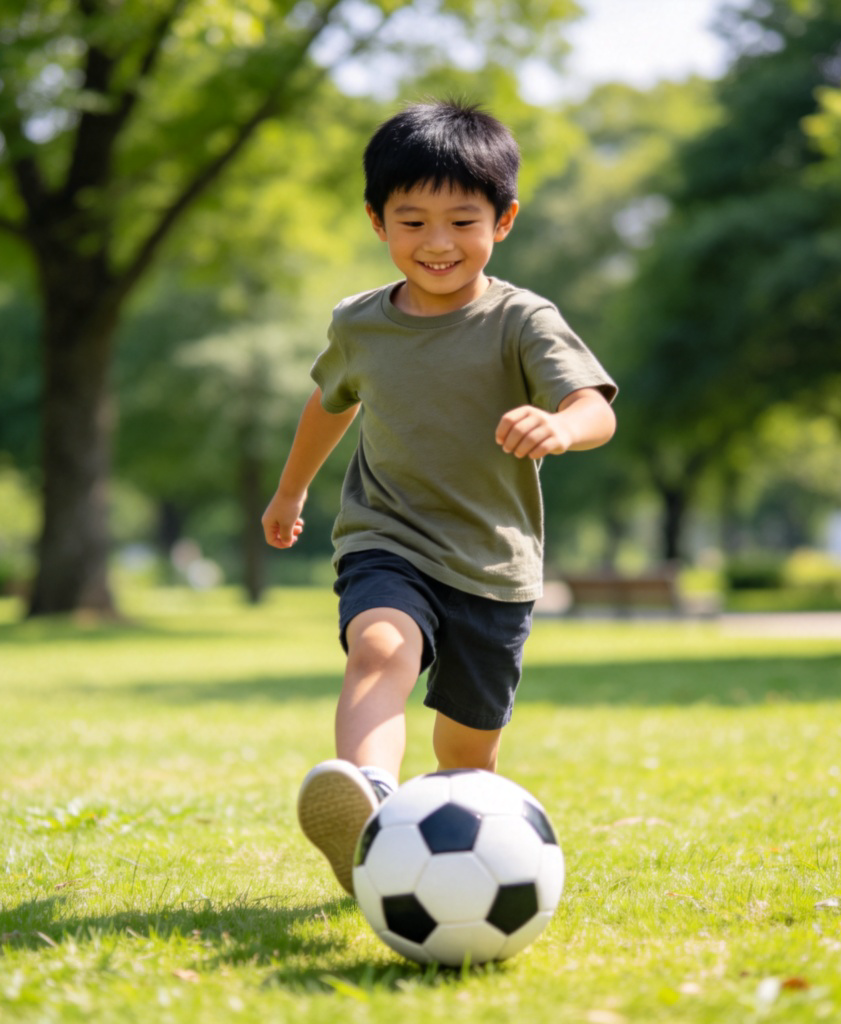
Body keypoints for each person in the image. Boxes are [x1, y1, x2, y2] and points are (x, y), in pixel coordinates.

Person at [261, 99, 617, 895]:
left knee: (467, 759)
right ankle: (369, 804)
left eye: (462, 220)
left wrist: (561, 427)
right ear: (376, 223)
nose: (438, 243)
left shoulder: (522, 319)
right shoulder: (361, 324)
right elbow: (329, 404)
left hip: (493, 563)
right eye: (412, 220)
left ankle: (449, 865)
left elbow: (596, 407)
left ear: (505, 220)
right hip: (386, 536)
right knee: (381, 646)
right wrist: (290, 492)